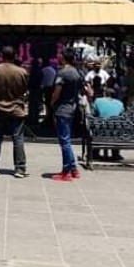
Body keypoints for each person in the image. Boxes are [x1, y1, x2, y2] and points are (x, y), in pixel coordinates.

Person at [0, 46, 28, 178]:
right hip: (16, 108)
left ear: (1, 56)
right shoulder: (22, 72)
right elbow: (24, 90)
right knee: (18, 138)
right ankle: (20, 168)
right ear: (14, 56)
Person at [50, 48, 83, 181]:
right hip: (72, 108)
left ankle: (66, 171)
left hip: (62, 109)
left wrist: (52, 102)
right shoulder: (76, 72)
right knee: (67, 139)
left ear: (64, 58)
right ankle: (73, 168)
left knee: (65, 141)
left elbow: (57, 91)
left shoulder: (63, 73)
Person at [27, 58, 43, 127]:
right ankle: (36, 119)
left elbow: (30, 80)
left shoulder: (33, 71)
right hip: (38, 88)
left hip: (33, 89)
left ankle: (31, 119)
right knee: (36, 105)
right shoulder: (40, 71)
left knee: (32, 105)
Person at [41, 59, 57, 125]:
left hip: (46, 88)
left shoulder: (43, 70)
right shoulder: (53, 70)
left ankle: (48, 118)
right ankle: (51, 118)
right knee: (51, 104)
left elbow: (41, 80)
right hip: (52, 88)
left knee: (47, 104)